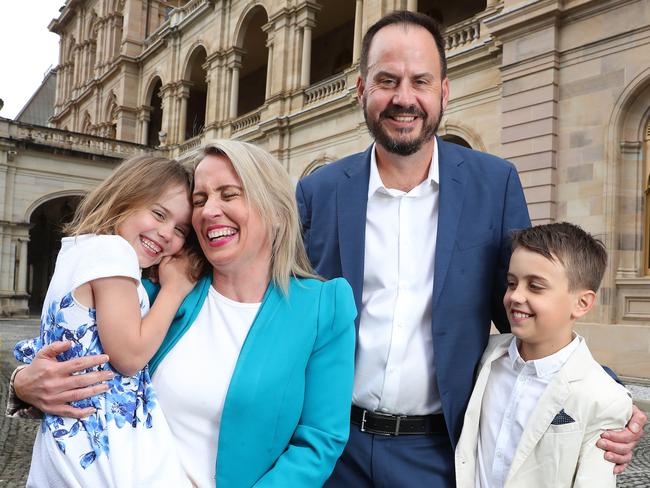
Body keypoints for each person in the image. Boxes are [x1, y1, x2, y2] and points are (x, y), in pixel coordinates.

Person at [295, 10, 646, 487]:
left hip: (438, 451)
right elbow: (288, 309)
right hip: (333, 445)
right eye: (386, 80)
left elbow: (525, 309)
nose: (404, 98)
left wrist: (602, 390)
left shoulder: (493, 183)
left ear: (444, 91)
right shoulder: (320, 191)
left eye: (420, 81)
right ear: (361, 90)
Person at [9, 140, 357, 487]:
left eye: (229, 194)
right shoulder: (156, 288)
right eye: (201, 200)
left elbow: (318, 441)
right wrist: (22, 383)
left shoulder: (323, 306)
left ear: (278, 212)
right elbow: (71, 338)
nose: (208, 211)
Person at [13, 155, 196, 487]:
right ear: (124, 198)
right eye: (158, 213)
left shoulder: (77, 251)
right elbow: (129, 356)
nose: (167, 233)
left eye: (181, 229)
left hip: (65, 439)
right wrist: (176, 288)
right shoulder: (114, 252)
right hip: (104, 449)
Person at [455, 222, 633, 488]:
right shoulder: (486, 355)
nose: (515, 296)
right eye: (512, 283)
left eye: (535, 286)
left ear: (581, 303)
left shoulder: (605, 398)